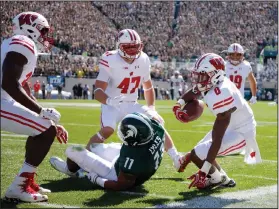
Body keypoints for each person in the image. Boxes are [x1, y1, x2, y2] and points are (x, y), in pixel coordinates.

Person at [49, 29, 185, 176]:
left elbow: (148, 86)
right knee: (108, 129)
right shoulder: (110, 59)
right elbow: (98, 91)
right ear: (120, 47)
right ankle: (77, 166)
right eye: (129, 47)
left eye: (136, 46)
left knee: (156, 123)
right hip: (112, 103)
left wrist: (151, 107)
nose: (133, 51)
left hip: (132, 103)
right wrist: (109, 100)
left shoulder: (144, 58)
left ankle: (176, 158)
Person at [1, 11, 68, 202]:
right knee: (46, 130)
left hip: (4, 100)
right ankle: (19, 187)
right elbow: (9, 83)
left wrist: (41, 114)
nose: (45, 35)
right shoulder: (23, 42)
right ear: (29, 27)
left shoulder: (14, 42)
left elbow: (21, 85)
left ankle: (26, 181)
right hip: (2, 101)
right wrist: (41, 112)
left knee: (45, 127)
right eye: (43, 30)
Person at [173, 53, 262, 190]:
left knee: (199, 153)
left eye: (202, 76)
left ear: (215, 74)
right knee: (199, 152)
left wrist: (203, 171)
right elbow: (194, 91)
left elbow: (217, 139)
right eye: (198, 75)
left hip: (242, 133)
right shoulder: (214, 82)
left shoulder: (223, 92)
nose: (198, 80)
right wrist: (179, 104)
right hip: (231, 126)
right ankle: (223, 179)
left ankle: (215, 179)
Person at [50, 112, 165, 190]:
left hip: (117, 174)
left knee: (73, 150)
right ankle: (82, 165)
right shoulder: (156, 128)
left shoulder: (134, 158)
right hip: (134, 157)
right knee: (94, 147)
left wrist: (97, 179)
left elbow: (121, 184)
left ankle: (71, 171)